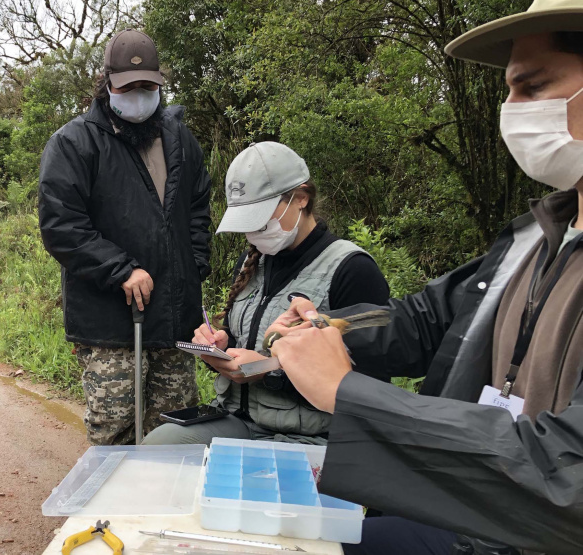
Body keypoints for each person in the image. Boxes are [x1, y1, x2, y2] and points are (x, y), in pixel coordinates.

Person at [264, 2, 583, 553]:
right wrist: (327, 326)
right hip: (472, 515)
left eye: (532, 88)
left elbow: (566, 475)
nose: (509, 111)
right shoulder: (533, 237)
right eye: (507, 91)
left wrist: (348, 393)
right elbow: (425, 319)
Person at [142, 142, 389, 446]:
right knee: (160, 445)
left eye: (260, 219)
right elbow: (241, 340)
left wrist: (266, 370)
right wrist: (221, 347)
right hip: (241, 422)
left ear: (301, 198)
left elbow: (369, 381)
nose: (252, 233)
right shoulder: (251, 263)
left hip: (312, 435)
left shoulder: (351, 269)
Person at [39, 29, 212, 445]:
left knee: (174, 430)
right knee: (115, 431)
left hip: (175, 320)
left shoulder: (179, 139)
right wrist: (121, 270)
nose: (139, 94)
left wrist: (195, 267)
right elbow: (62, 226)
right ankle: (113, 512)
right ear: (107, 84)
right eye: (128, 87)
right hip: (112, 322)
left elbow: (198, 209)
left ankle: (164, 511)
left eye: (148, 86)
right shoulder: (73, 143)